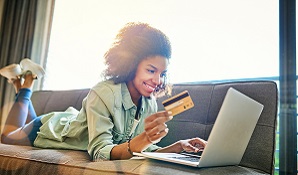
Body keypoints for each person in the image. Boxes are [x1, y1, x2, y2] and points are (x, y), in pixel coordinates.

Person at [0, 22, 207, 161]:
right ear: (131, 64)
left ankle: (20, 84)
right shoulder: (103, 93)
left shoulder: (149, 102)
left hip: (67, 121)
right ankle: (27, 83)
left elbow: (143, 150)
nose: (157, 80)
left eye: (162, 73)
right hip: (47, 129)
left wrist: (179, 146)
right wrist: (145, 139)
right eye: (151, 70)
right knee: (6, 136)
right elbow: (100, 152)